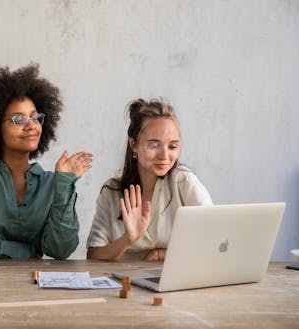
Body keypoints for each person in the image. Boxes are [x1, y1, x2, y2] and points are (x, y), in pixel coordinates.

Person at [0, 64, 92, 260]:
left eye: (35, 117)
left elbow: (60, 251)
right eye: (18, 119)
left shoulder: (52, 183)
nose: (31, 125)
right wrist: (25, 251)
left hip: (36, 286)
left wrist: (64, 183)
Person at [86, 97, 212, 261]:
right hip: (124, 283)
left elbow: (212, 242)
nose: (164, 156)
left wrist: (162, 254)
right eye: (154, 145)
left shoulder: (185, 183)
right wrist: (128, 239)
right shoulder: (112, 191)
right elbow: (94, 256)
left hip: (177, 284)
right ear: (134, 145)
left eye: (172, 146)